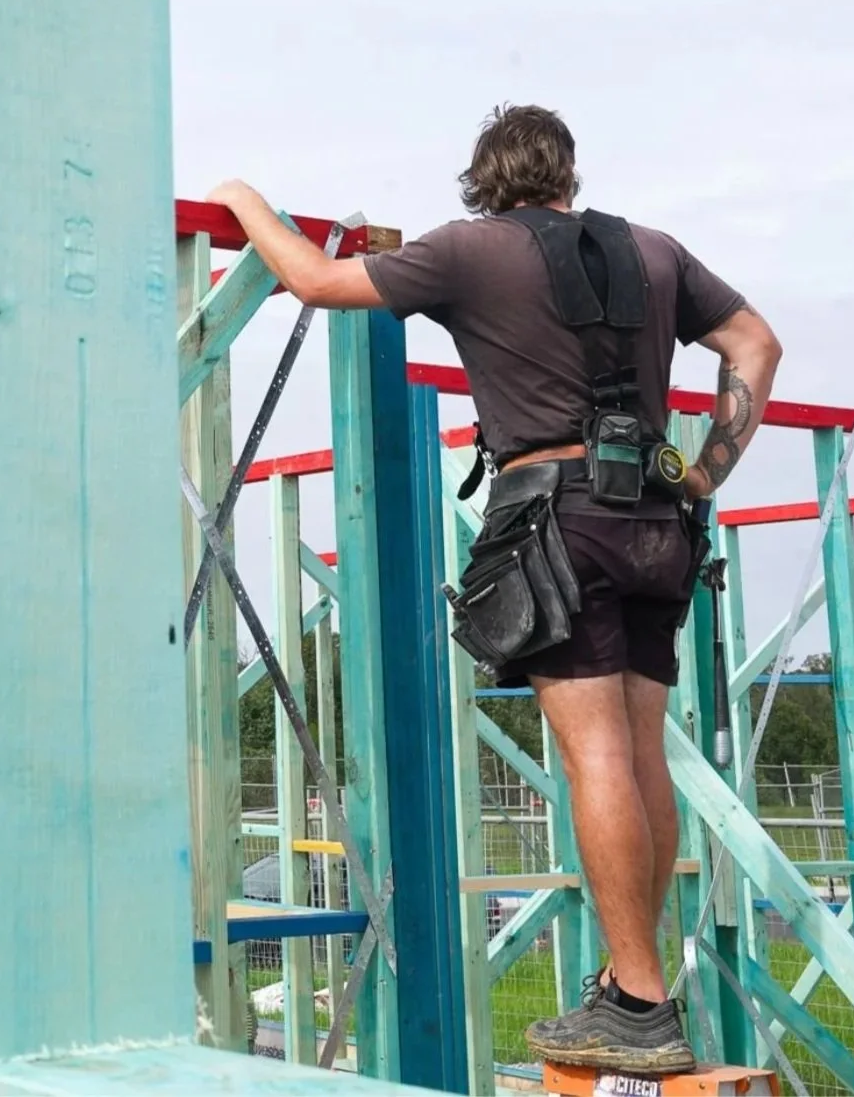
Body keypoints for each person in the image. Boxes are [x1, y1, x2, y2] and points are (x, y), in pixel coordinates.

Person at [206, 104, 781, 1075]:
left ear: (485, 178)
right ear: (565, 172)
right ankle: (630, 981)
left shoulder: (469, 252)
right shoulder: (653, 250)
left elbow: (311, 279)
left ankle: (637, 1000)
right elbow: (755, 345)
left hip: (562, 523)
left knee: (595, 753)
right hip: (655, 523)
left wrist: (243, 201)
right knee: (640, 754)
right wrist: (704, 469)